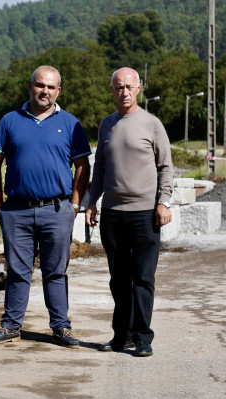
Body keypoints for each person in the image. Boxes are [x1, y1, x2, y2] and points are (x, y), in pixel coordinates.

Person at [0, 65, 92, 347]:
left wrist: (75, 205)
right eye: (40, 85)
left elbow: (83, 166)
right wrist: (0, 206)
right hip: (16, 210)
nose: (44, 91)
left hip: (57, 210)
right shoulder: (10, 121)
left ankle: (60, 327)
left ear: (59, 90)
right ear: (30, 86)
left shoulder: (70, 124)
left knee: (55, 271)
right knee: (17, 271)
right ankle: (10, 325)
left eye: (50, 87)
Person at [85, 67, 174, 358]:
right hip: (113, 215)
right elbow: (100, 167)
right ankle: (121, 336)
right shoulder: (106, 125)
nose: (123, 92)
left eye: (129, 86)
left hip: (145, 215)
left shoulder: (152, 124)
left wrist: (164, 202)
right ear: (112, 90)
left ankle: (143, 337)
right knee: (119, 279)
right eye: (118, 87)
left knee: (143, 277)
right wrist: (92, 201)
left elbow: (165, 167)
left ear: (138, 89)